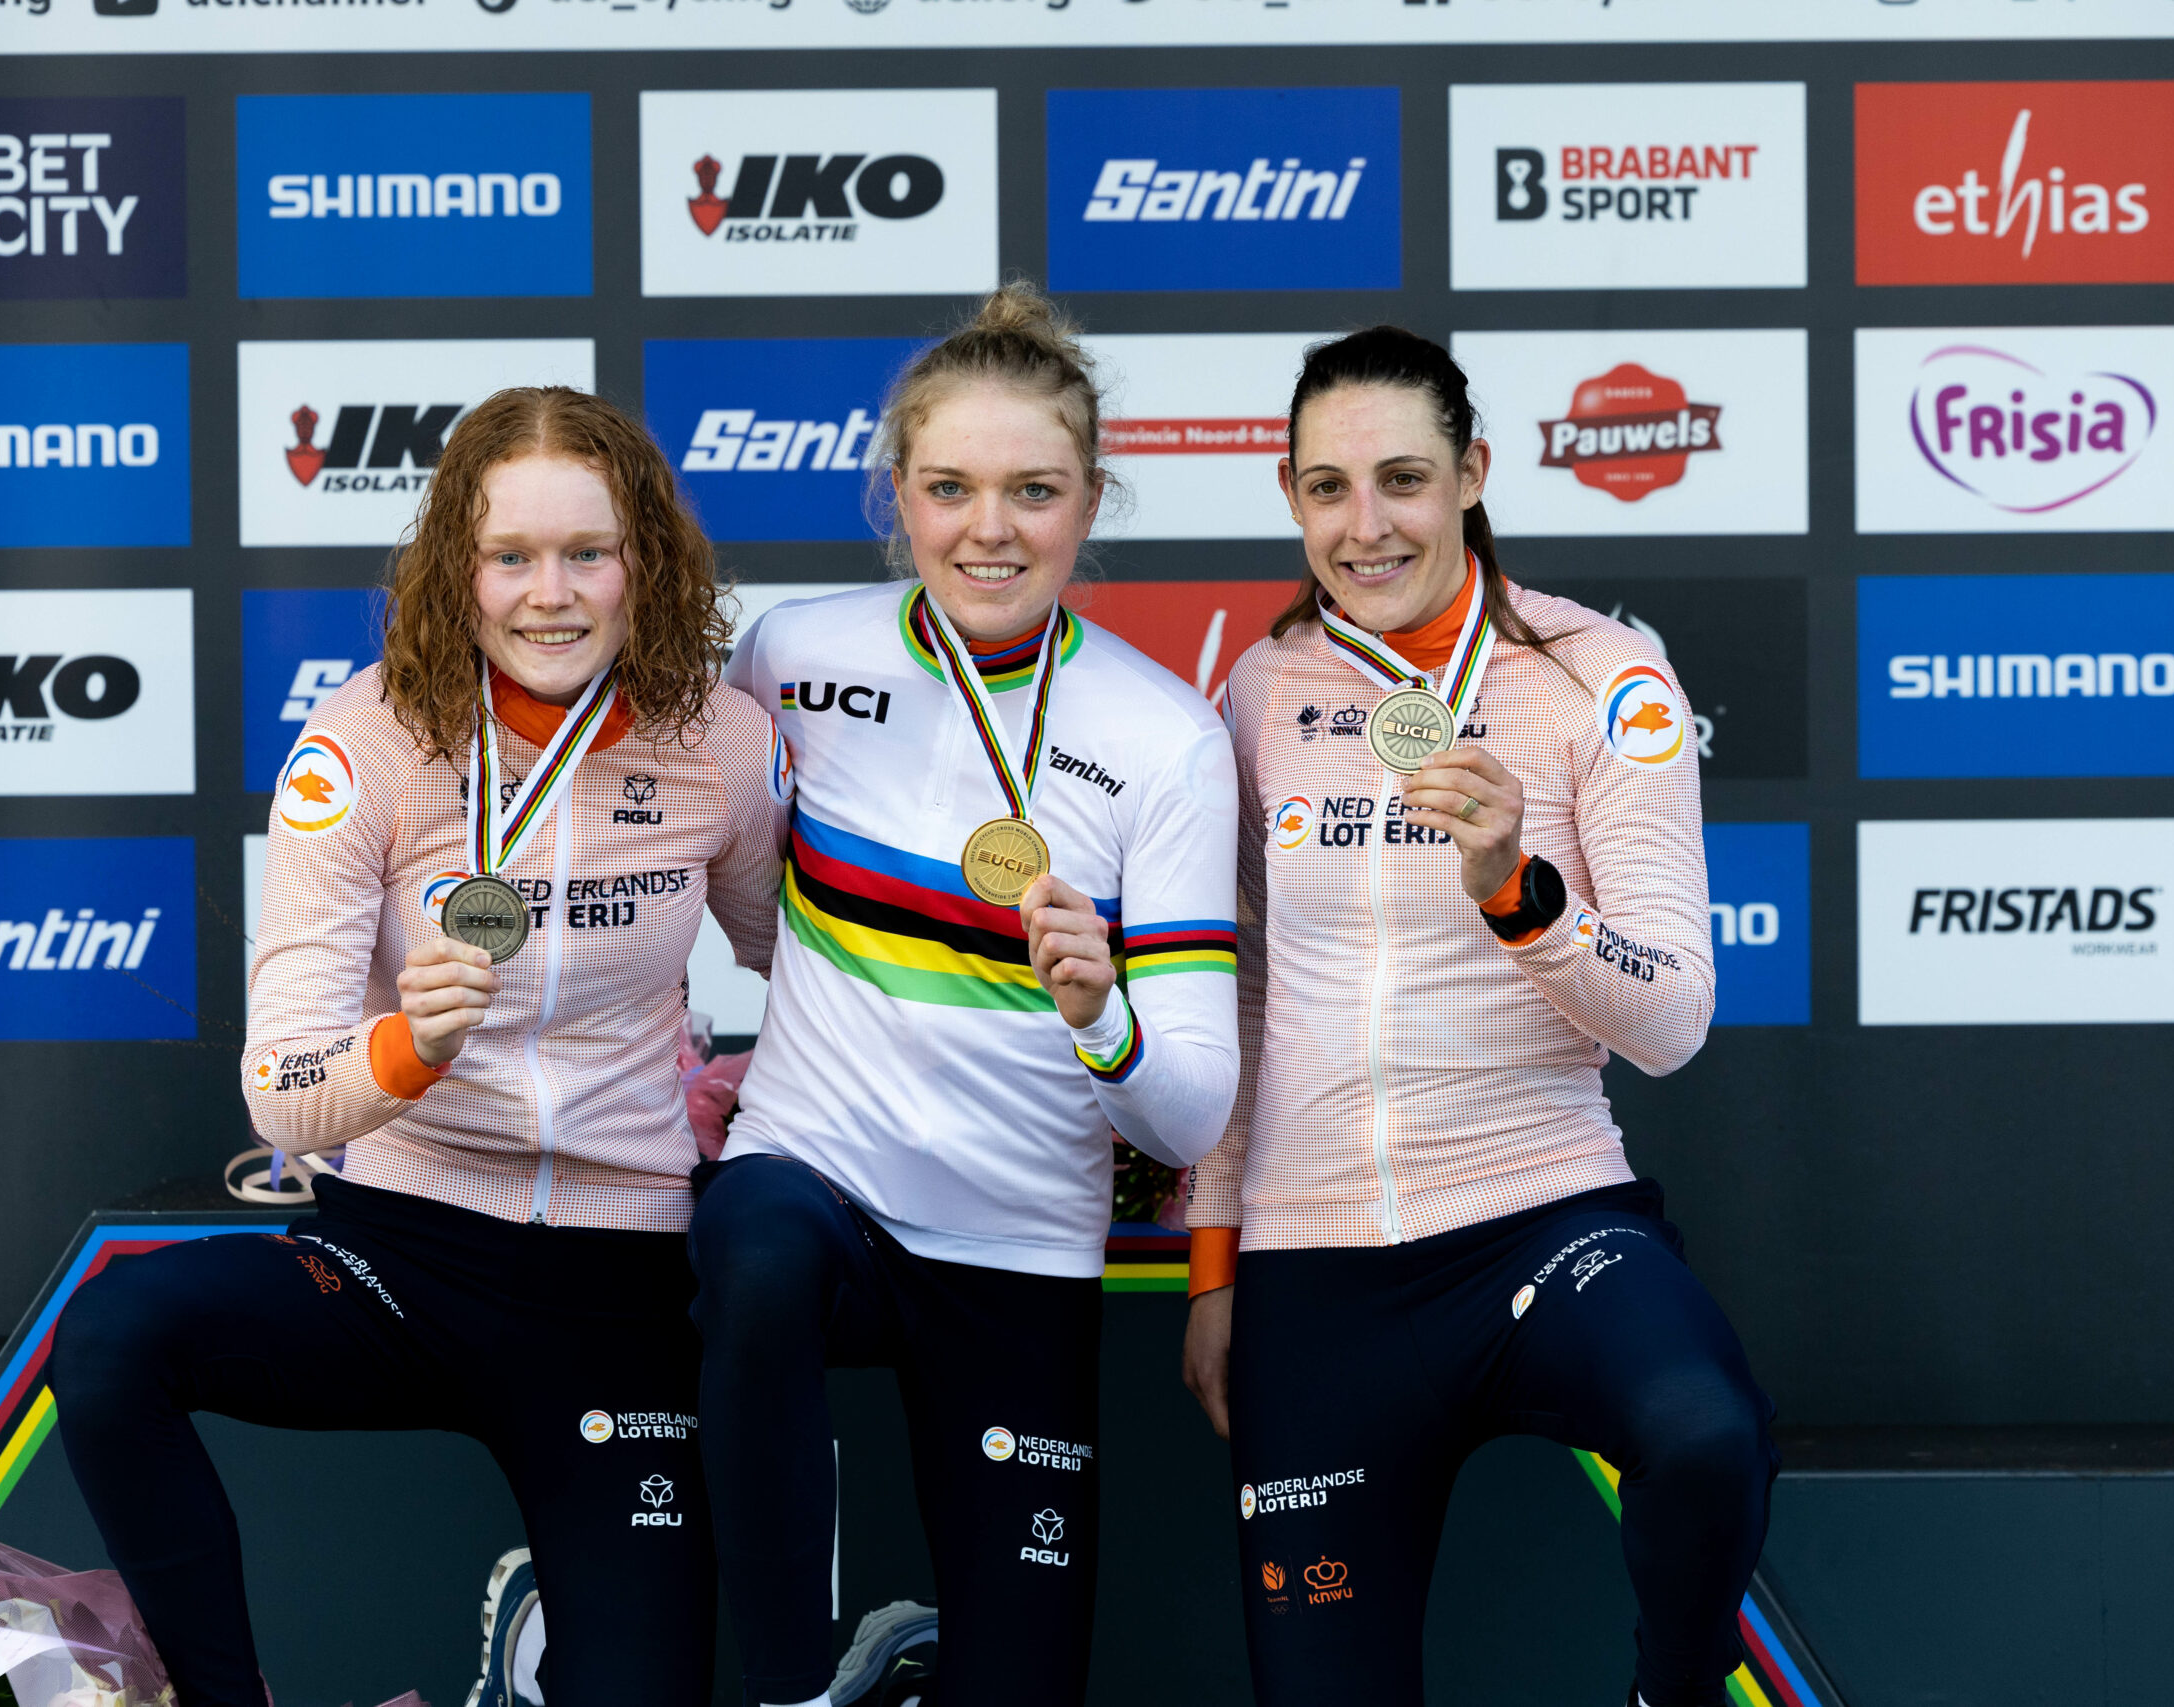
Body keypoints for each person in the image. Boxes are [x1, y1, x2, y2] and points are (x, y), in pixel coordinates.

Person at [50, 387, 787, 1707]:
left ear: (647, 560)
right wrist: (404, 1048)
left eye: (589, 552)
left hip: (617, 1288)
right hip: (400, 1260)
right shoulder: (371, 738)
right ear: (458, 566)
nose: (550, 595)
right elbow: (280, 1093)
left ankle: (549, 1652)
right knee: (112, 1338)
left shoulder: (721, 743)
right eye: (511, 556)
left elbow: (815, 966)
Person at [1181, 328, 1778, 1707]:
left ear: (1474, 474)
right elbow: (1245, 995)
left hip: (1540, 1219)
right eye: (1328, 487)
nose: (1367, 525)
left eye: (1403, 478)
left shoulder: (1598, 674)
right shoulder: (1262, 689)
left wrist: (1522, 893)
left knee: (1702, 1434)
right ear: (1289, 497)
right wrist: (1216, 1268)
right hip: (1315, 1265)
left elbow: (1672, 1018)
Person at [689, 283, 1240, 1707]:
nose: (988, 529)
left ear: (1092, 501)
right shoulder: (794, 655)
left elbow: (1188, 1117)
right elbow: (723, 886)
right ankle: (791, 1688)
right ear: (897, 494)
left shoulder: (1168, 739)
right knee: (752, 1254)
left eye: (1033, 491)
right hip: (814, 1180)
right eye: (950, 488)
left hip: (1017, 1251)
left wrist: (1103, 1016)